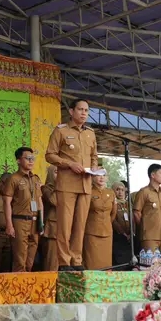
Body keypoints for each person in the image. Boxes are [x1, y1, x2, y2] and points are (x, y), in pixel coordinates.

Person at [45, 99, 98, 272]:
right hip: (67, 184)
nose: (84, 113)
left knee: (80, 225)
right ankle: (64, 261)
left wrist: (94, 168)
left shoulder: (90, 133)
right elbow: (50, 155)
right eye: (80, 109)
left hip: (86, 184)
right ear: (71, 111)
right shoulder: (61, 130)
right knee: (65, 225)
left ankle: (76, 259)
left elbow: (94, 156)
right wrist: (68, 164)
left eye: (86, 110)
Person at [4, 147, 43, 273]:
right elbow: (7, 202)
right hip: (20, 221)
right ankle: (18, 284)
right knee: (20, 259)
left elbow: (40, 202)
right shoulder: (13, 179)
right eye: (28, 158)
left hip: (35, 221)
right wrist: (9, 225)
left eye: (33, 158)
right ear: (18, 161)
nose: (31, 161)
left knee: (30, 260)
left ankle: (27, 282)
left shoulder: (36, 179)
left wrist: (41, 222)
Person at [133, 164, 161, 251]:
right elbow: (136, 213)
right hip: (149, 236)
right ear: (153, 175)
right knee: (150, 259)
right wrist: (145, 227)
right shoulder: (144, 192)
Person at [83, 174, 116, 270]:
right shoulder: (89, 191)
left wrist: (106, 223)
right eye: (98, 175)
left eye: (104, 175)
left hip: (107, 231)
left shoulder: (111, 192)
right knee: (91, 261)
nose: (102, 178)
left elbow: (113, 213)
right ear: (93, 177)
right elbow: (83, 212)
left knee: (106, 262)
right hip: (92, 231)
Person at [41, 166, 59, 271]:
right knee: (52, 262)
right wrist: (59, 184)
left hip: (66, 228)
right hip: (52, 229)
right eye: (56, 172)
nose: (60, 175)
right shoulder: (46, 188)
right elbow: (54, 200)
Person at [111, 181, 132, 269]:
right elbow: (113, 220)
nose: (120, 192)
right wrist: (123, 233)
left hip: (130, 238)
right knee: (119, 261)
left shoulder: (128, 204)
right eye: (117, 190)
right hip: (118, 236)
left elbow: (133, 219)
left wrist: (132, 233)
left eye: (122, 190)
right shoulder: (112, 203)